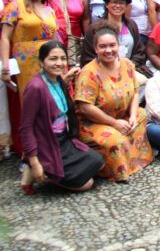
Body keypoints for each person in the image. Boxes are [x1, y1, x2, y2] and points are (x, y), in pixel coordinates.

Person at [19, 41, 104, 193]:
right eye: (53, 59)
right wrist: (34, 160)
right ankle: (38, 170)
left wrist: (66, 81)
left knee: (99, 162)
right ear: (41, 62)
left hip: (63, 141)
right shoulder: (35, 87)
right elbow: (26, 128)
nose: (59, 63)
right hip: (47, 145)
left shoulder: (58, 80)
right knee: (87, 184)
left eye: (62, 59)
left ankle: (49, 171)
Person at [74, 26, 153, 181]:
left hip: (121, 115)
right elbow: (85, 107)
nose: (108, 50)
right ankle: (116, 169)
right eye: (102, 46)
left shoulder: (127, 64)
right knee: (115, 140)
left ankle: (135, 161)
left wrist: (131, 116)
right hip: (95, 122)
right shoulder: (88, 72)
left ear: (118, 46)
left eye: (112, 45)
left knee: (142, 115)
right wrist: (114, 123)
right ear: (95, 49)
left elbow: (135, 91)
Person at [1, 0, 58, 155]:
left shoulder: (49, 9)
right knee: (30, 109)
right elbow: (5, 38)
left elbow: (55, 38)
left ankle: (49, 151)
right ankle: (29, 155)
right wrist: (6, 66)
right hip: (26, 64)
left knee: (49, 105)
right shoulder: (15, 6)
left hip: (49, 62)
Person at [81, 0, 152, 86]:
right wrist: (109, 68)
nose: (118, 6)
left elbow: (139, 51)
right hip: (102, 73)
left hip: (128, 70)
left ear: (126, 6)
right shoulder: (95, 28)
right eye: (114, 2)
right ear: (107, 5)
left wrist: (127, 66)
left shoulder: (131, 25)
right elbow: (88, 56)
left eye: (121, 3)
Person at [49, 0, 90, 66]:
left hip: (75, 39)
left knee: (74, 69)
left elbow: (86, 19)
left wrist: (87, 40)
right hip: (54, 37)